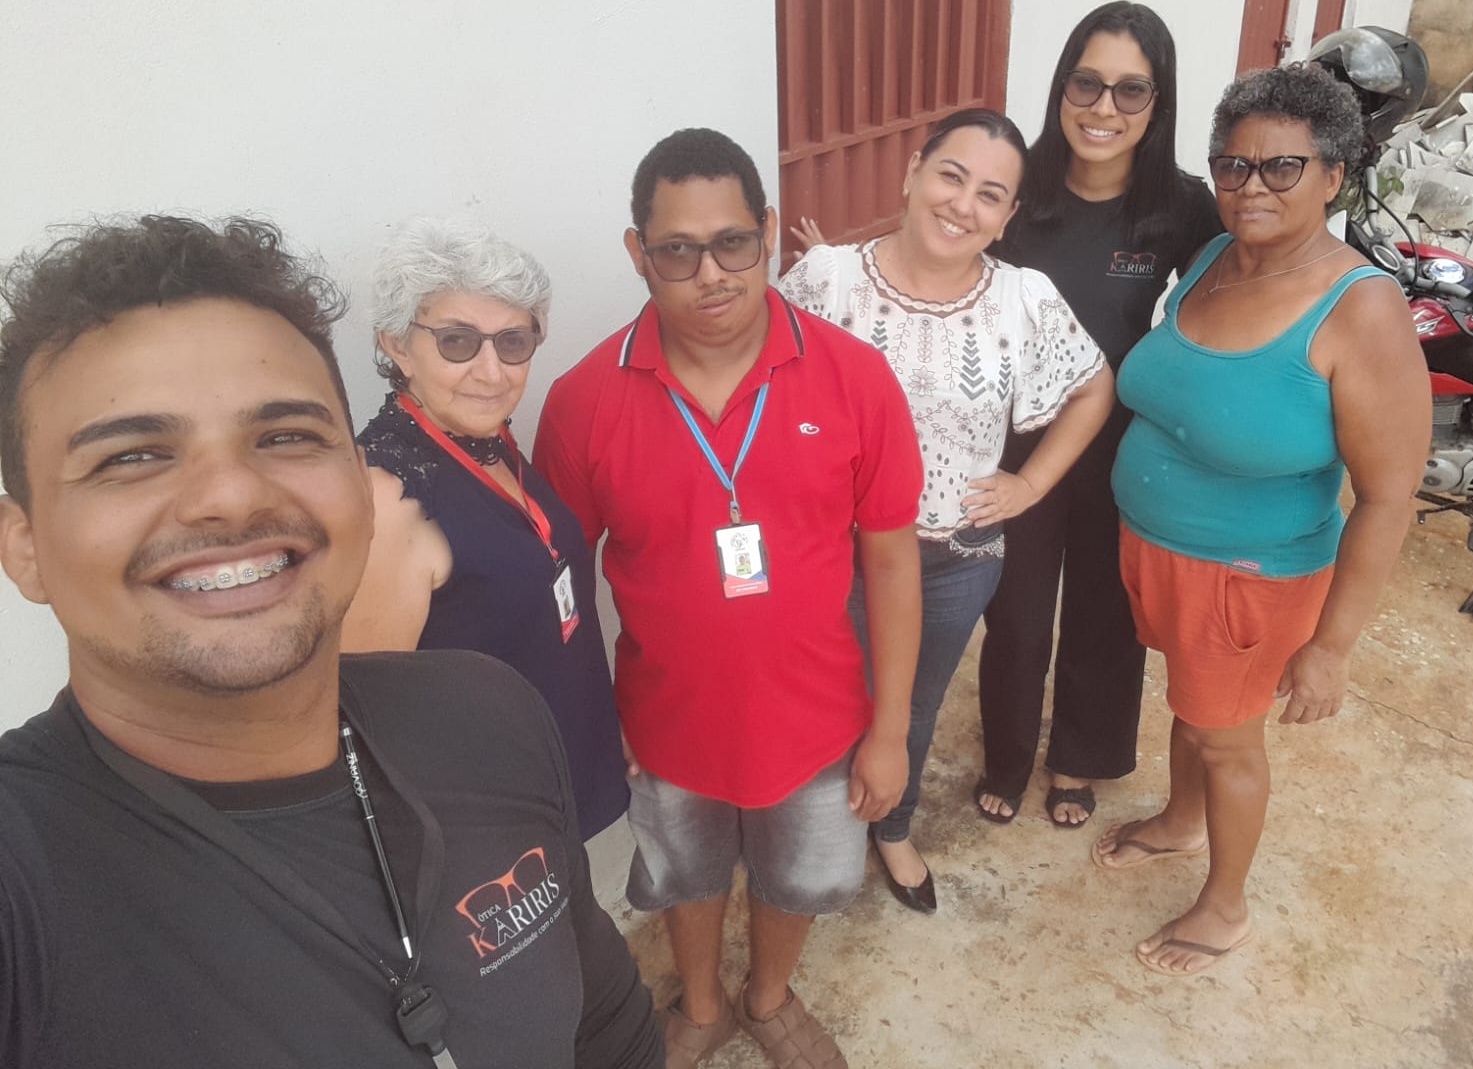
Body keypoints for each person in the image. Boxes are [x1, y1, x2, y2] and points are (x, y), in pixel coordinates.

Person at [0, 216, 662, 1067]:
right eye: (131, 456)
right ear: (22, 544)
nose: (230, 496)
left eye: (284, 437)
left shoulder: (487, 716)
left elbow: (604, 1022)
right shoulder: (30, 881)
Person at [533, 129, 923, 1069]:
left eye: (733, 243)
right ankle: (703, 1005)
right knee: (685, 877)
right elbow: (561, 585)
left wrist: (890, 729)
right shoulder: (585, 402)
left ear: (769, 232)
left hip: (820, 718)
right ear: (638, 253)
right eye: (678, 250)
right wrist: (592, 722)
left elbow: (891, 561)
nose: (711, 274)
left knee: (798, 880)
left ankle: (769, 996)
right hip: (665, 722)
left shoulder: (854, 378)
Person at [1092, 65, 1430, 976]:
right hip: (1160, 550)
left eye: (1283, 167)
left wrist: (1333, 648)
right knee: (1196, 707)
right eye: (1232, 165)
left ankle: (1225, 907)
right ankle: (1182, 819)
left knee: (1227, 736)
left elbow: (1389, 495)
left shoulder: (1360, 309)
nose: (1251, 187)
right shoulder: (1213, 257)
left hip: (1248, 575)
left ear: (1335, 176)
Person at [780, 108, 1114, 912]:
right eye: (950, 177)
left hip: (957, 559)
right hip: (835, 554)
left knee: (911, 709)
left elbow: (1093, 386)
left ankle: (892, 827)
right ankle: (812, 838)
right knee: (822, 702)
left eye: (990, 195)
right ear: (912, 173)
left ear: (1007, 216)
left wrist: (1030, 485)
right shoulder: (827, 281)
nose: (963, 205)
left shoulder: (1024, 299)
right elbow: (764, 387)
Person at [973, 1, 1223, 830]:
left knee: (1106, 612)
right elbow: (951, 251)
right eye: (1086, 83)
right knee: (1016, 616)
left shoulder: (1182, 208)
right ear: (1061, 88)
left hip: (1125, 451)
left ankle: (1079, 757)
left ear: (1158, 104)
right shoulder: (1021, 191)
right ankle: (1007, 756)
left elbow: (1236, 293)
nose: (1103, 108)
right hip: (1019, 446)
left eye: (1130, 90)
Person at [342, 217, 628, 840]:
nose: (492, 372)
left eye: (513, 342)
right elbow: (368, 722)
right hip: (487, 824)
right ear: (396, 345)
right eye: (458, 342)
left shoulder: (487, 440)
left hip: (553, 771)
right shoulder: (389, 498)